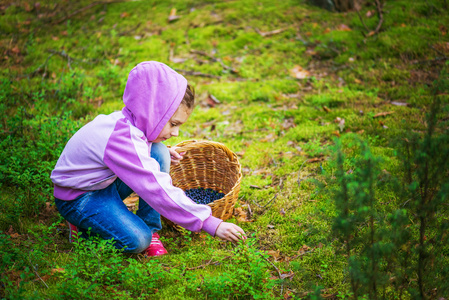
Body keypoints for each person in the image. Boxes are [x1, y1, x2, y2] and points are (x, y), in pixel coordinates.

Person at [50, 61, 246, 256]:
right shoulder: (120, 139)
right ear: (152, 113)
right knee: (137, 240)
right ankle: (82, 227)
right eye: (173, 124)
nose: (176, 133)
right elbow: (155, 188)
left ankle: (150, 228)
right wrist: (209, 222)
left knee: (158, 152)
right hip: (79, 197)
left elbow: (137, 152)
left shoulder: (129, 124)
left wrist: (153, 150)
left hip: (101, 184)